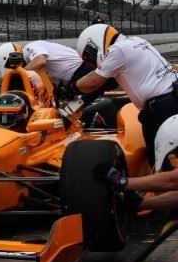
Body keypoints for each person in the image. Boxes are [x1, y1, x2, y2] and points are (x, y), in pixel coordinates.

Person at [74, 24, 178, 167]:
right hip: (172, 96)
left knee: (157, 159)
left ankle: (165, 187)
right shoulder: (135, 40)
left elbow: (93, 82)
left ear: (93, 44)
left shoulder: (117, 50)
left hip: (159, 107)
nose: (92, 63)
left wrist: (72, 87)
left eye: (89, 58)